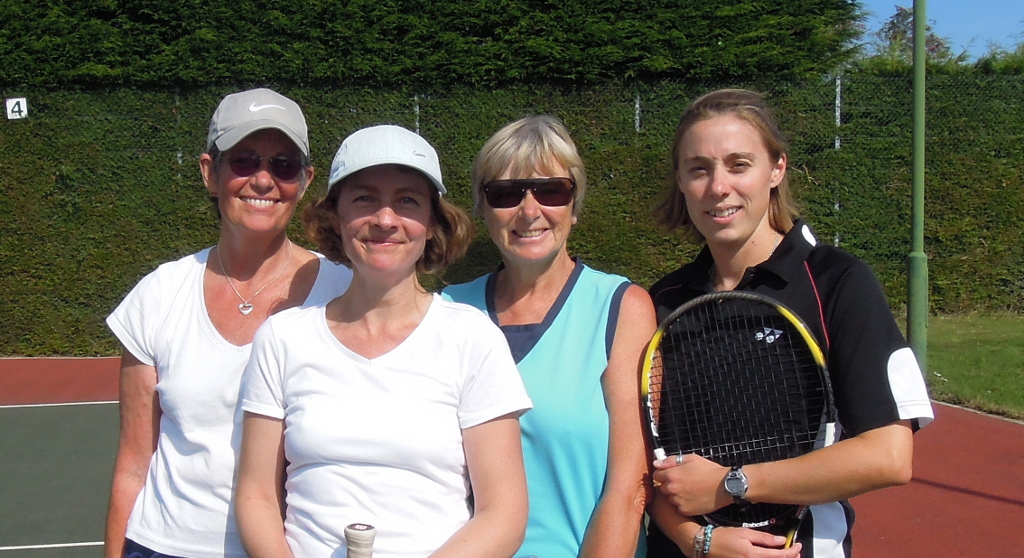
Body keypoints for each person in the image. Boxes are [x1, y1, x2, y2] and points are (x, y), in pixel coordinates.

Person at [645, 88, 935, 558]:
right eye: (699, 168)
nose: (718, 186)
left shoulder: (837, 281)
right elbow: (642, 463)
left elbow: (888, 455)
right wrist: (698, 539)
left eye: (739, 164)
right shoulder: (663, 301)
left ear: (776, 169)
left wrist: (732, 484)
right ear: (680, 179)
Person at [234, 124, 532, 558]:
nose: (385, 220)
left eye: (407, 200)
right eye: (365, 198)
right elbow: (255, 495)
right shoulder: (282, 338)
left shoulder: (473, 339)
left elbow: (503, 513)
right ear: (335, 217)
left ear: (432, 223)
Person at [104, 88, 354, 558]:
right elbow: (134, 463)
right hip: (163, 546)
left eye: (283, 165)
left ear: (305, 181)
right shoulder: (157, 295)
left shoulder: (347, 292)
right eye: (243, 160)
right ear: (209, 172)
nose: (263, 180)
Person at [443, 115, 657, 557]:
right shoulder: (447, 310)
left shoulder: (621, 308)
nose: (529, 210)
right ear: (482, 209)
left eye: (551, 190)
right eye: (504, 193)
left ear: (574, 205)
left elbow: (629, 489)